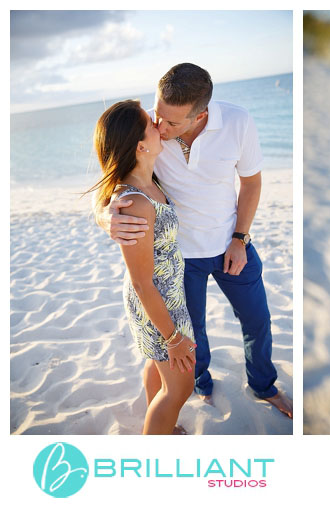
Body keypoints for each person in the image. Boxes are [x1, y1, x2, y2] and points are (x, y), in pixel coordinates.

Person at [97, 63, 291, 419]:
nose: (161, 126)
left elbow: (251, 183)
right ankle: (199, 384)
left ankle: (264, 386)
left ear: (200, 115)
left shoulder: (238, 122)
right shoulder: (150, 134)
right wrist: (105, 214)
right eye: (157, 115)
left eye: (171, 122)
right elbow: (116, 174)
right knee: (194, 333)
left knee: (258, 320)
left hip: (232, 243)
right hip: (181, 258)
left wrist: (240, 238)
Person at [87, 100, 196, 434]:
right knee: (179, 388)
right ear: (139, 145)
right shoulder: (135, 202)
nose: (159, 125)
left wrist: (101, 211)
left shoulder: (150, 180)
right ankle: (157, 437)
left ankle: (162, 426)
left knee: (159, 368)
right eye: (151, 123)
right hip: (156, 301)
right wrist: (173, 337)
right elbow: (141, 283)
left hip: (166, 295)